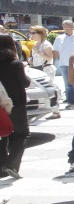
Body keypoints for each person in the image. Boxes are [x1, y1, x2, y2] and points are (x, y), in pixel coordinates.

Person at [0, 34, 32, 179]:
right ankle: (11, 165)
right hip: (16, 104)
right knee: (22, 134)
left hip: (1, 105)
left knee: (3, 135)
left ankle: (2, 168)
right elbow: (25, 83)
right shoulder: (15, 64)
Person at [27, 25, 59, 118]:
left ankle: (56, 111)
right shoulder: (36, 44)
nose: (31, 35)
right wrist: (31, 60)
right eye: (30, 32)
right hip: (38, 69)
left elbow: (49, 57)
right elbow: (36, 57)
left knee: (50, 89)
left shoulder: (46, 44)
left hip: (46, 69)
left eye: (33, 33)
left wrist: (37, 52)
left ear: (40, 34)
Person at [53, 20, 74, 110]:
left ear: (72, 27)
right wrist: (53, 61)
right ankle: (71, 102)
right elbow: (55, 51)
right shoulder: (59, 38)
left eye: (68, 26)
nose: (66, 28)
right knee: (67, 85)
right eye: (64, 26)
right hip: (63, 63)